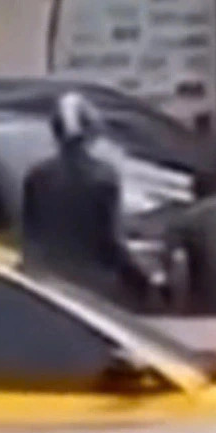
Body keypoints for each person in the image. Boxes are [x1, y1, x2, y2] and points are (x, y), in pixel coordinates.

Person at [20, 91, 156, 309]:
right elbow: (111, 241)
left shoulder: (37, 176)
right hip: (94, 288)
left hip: (47, 285)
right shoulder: (103, 176)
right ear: (91, 131)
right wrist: (141, 279)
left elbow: (29, 238)